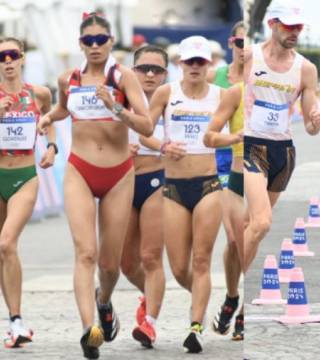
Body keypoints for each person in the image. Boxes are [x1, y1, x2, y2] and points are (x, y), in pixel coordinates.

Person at [38, 13, 152, 359]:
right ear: (80, 44)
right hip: (80, 170)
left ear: (111, 41)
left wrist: (115, 106)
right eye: (88, 40)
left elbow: (146, 125)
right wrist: (48, 118)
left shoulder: (123, 76)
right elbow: (61, 109)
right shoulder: (68, 79)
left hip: (118, 173)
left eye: (101, 39)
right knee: (85, 253)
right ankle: (90, 330)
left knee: (109, 263)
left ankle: (104, 302)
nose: (95, 46)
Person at [149, 35, 224, 353]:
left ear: (209, 65)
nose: (195, 67)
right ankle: (202, 303)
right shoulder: (167, 93)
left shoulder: (222, 96)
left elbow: (236, 131)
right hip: (174, 188)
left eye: (200, 61)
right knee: (179, 267)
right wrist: (163, 145)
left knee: (202, 259)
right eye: (189, 61)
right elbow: (145, 130)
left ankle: (195, 327)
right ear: (180, 64)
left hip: (208, 185)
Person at [243, 0, 320, 272]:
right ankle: (233, 291)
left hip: (283, 151)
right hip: (251, 146)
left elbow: (311, 128)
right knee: (262, 223)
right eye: (289, 26)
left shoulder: (306, 69)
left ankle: (235, 293)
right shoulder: (249, 56)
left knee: (251, 226)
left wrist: (316, 121)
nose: (295, 32)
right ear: (272, 24)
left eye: (299, 27)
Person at [0, 36, 57, 348]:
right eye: (2, 57)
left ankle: (18, 318)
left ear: (22, 58)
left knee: (7, 242)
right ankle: (14, 321)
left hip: (24, 175)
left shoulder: (38, 93)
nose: (7, 61)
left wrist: (50, 146)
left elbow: (52, 119)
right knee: (2, 251)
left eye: (13, 55)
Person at [119, 44, 168, 348]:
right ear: (133, 70)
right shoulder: (118, 100)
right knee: (125, 264)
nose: (149, 74)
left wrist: (160, 144)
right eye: (143, 68)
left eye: (157, 69)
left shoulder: (174, 100)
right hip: (123, 183)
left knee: (151, 256)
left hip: (157, 181)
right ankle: (150, 295)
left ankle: (149, 322)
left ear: (165, 73)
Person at [206, 21, 245, 340]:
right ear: (231, 42)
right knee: (233, 238)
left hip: (253, 166)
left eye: (248, 43)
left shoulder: (265, 81)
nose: (243, 48)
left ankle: (243, 309)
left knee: (249, 238)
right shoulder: (215, 77)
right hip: (218, 164)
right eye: (238, 42)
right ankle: (232, 295)